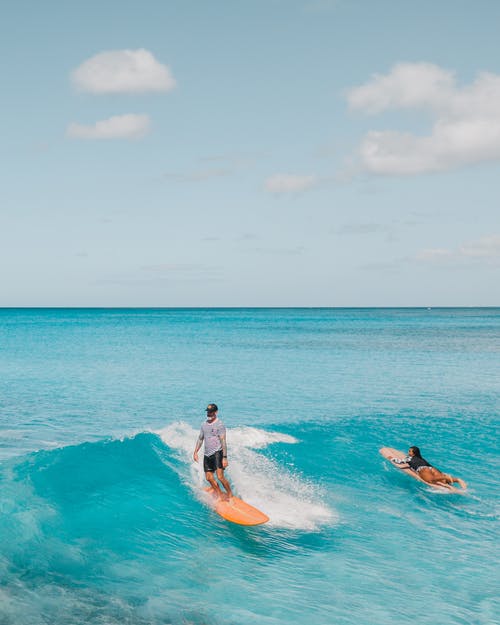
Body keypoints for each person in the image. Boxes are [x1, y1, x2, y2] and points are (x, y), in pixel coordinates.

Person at [193, 403, 233, 500]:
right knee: (209, 478)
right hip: (207, 454)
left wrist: (224, 457)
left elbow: (223, 441)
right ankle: (219, 494)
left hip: (217, 453)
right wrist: (195, 452)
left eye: (211, 412)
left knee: (220, 477)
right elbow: (200, 438)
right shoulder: (204, 425)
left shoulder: (220, 425)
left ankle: (230, 495)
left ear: (216, 412)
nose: (209, 414)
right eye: (208, 412)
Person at [391, 446, 467, 489]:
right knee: (442, 480)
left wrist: (391, 458)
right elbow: (430, 466)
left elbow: (399, 462)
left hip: (423, 470)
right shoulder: (421, 458)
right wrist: (440, 472)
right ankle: (452, 480)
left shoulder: (409, 458)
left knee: (430, 480)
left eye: (410, 451)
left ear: (413, 453)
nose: (408, 452)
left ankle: (452, 479)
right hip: (431, 468)